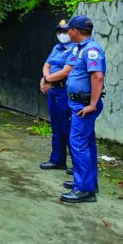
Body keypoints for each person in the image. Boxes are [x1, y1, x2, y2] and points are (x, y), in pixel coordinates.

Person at [43, 15, 105, 203]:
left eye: (68, 29)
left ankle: (84, 189)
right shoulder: (80, 49)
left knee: (78, 143)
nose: (66, 32)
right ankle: (88, 182)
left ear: (75, 31)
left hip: (84, 104)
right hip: (79, 103)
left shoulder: (91, 50)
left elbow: (97, 77)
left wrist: (92, 104)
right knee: (87, 143)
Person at [38, 19, 75, 172]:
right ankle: (57, 160)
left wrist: (47, 80)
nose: (62, 35)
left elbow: (67, 71)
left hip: (64, 91)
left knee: (68, 128)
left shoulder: (75, 49)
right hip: (53, 90)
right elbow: (47, 64)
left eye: (65, 31)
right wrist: (45, 79)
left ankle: (77, 164)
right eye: (60, 32)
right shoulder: (57, 47)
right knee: (56, 127)